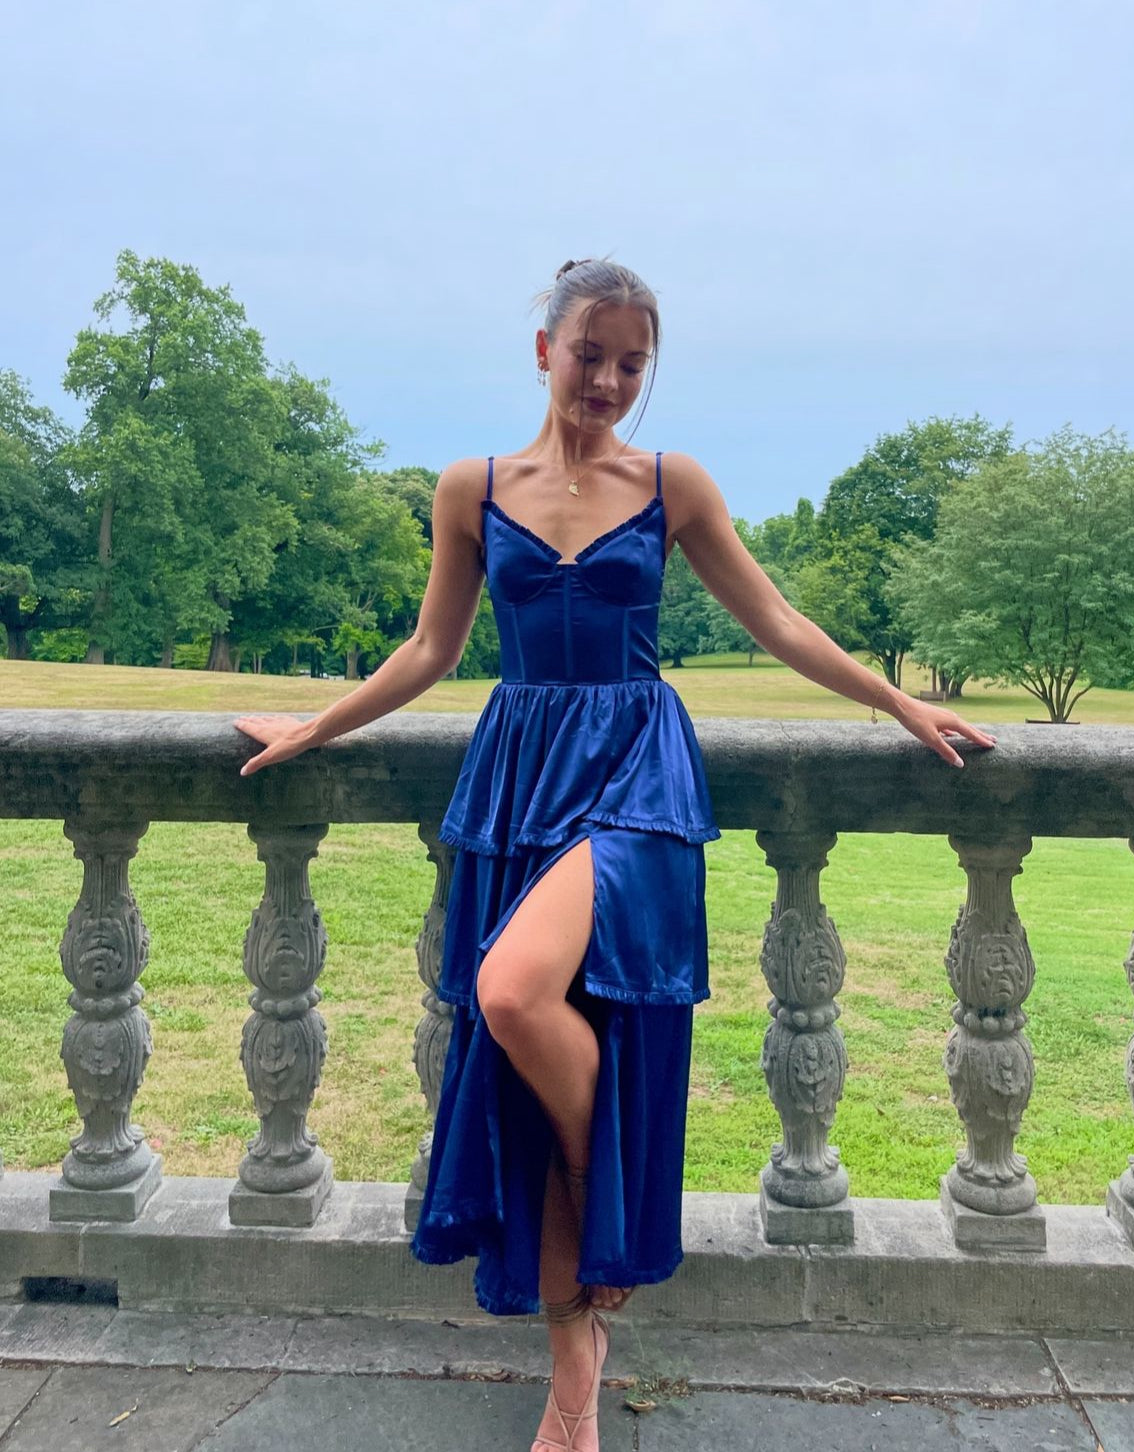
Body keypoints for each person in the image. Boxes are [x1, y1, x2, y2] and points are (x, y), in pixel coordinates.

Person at [235, 258, 995, 1452]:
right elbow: (432, 648)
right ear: (542, 350)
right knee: (523, 1073)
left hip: (639, 775)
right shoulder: (471, 489)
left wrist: (899, 705)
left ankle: (608, 1207)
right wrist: (313, 725)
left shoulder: (671, 482)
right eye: (590, 353)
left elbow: (778, 619)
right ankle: (573, 1390)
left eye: (632, 362)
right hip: (524, 767)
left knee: (509, 989)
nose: (609, 379)